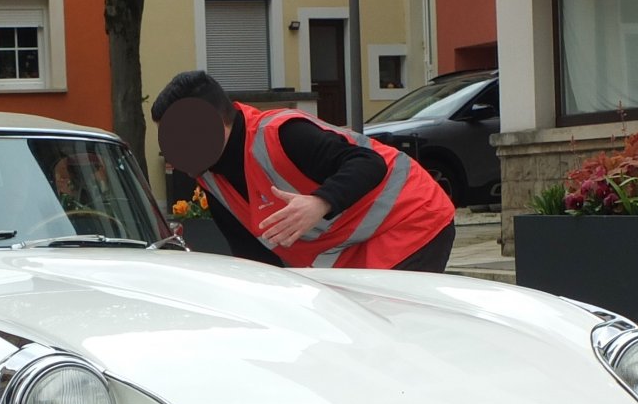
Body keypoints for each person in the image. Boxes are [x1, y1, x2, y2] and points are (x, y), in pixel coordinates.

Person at [151, 70, 456, 271]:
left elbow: (368, 163)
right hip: (354, 251)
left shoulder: (281, 134)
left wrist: (319, 203)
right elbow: (253, 254)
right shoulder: (209, 178)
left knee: (391, 338)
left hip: (413, 220)